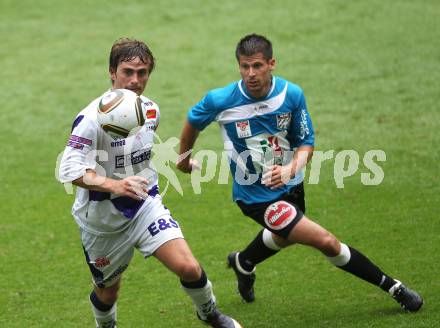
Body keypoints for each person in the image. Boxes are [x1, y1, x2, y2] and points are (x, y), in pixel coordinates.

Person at [177, 33, 423, 313]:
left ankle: (243, 262)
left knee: (284, 236)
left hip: (291, 185)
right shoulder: (220, 100)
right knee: (326, 241)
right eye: (244, 66)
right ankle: (395, 288)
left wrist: (290, 169)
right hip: (255, 197)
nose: (250, 74)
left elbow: (306, 142)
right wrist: (184, 160)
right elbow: (192, 121)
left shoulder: (291, 95)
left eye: (257, 66)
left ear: (272, 63)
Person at [58, 38, 241, 328]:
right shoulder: (91, 119)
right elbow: (68, 170)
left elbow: (142, 154)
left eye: (142, 72)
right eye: (128, 71)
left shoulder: (151, 110)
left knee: (189, 267)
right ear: (111, 72)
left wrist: (182, 163)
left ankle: (211, 314)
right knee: (108, 292)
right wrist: (114, 185)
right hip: (101, 222)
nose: (135, 80)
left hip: (145, 205)